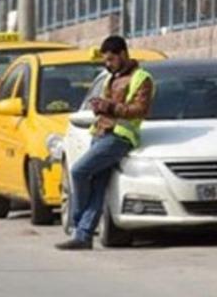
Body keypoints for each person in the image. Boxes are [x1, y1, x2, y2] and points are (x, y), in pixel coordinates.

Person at [55, 35, 154, 250]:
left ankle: (77, 220)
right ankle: (83, 236)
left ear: (123, 55)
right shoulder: (110, 78)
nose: (107, 64)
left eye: (111, 59)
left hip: (119, 138)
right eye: (105, 61)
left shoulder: (141, 78)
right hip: (100, 133)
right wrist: (98, 106)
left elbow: (140, 110)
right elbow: (107, 106)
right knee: (98, 186)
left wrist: (109, 107)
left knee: (79, 171)